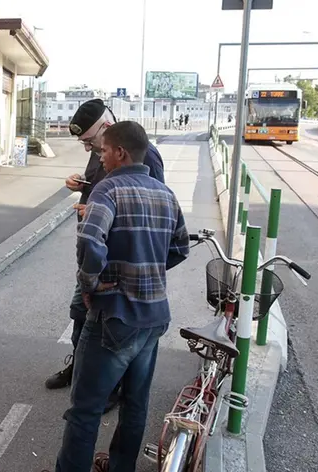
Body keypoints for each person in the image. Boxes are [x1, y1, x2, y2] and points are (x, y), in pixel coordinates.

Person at [50, 120, 190, 472]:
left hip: (114, 316)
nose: (101, 160)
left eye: (103, 152)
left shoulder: (107, 191)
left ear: (120, 152)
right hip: (154, 317)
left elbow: (90, 242)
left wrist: (90, 286)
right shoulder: (165, 194)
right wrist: (147, 271)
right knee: (135, 405)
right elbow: (181, 248)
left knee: (85, 409)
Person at [44, 99, 166, 414]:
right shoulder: (104, 153)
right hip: (94, 252)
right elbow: (98, 188)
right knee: (81, 317)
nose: (89, 151)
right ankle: (82, 371)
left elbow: (153, 209)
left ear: (108, 131)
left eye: (90, 142)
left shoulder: (146, 155)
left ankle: (109, 388)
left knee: (111, 328)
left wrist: (101, 215)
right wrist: (79, 188)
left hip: (118, 262)